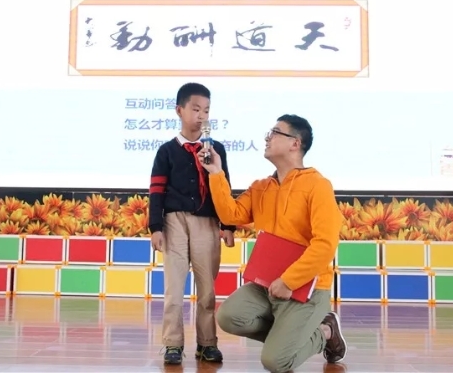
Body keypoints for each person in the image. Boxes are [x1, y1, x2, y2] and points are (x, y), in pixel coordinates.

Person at [198, 114, 347, 373]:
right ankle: (289, 337)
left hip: (306, 290)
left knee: (276, 362)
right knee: (229, 317)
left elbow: (325, 245)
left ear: (295, 143)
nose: (267, 138)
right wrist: (216, 173)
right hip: (266, 285)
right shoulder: (261, 187)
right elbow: (231, 215)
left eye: (275, 132)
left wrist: (288, 282)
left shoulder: (318, 186)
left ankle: (325, 331)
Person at [148, 82, 236, 365]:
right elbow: (156, 190)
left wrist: (228, 225)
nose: (202, 115)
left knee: (207, 288)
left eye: (206, 111)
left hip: (207, 222)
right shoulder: (167, 151)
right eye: (196, 109)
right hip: (174, 222)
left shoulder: (215, 148)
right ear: (179, 110)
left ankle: (207, 343)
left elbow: (224, 187)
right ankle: (172, 344)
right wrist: (155, 227)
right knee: (174, 288)